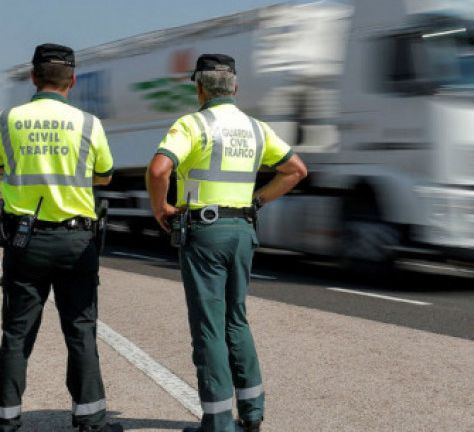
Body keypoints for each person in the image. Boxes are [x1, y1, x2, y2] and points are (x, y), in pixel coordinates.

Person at [147, 53, 307, 432]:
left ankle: (218, 421)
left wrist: (160, 208)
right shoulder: (256, 129)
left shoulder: (192, 124)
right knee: (236, 319)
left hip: (205, 234)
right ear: (235, 87)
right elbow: (296, 170)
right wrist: (257, 202)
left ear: (199, 87)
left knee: (209, 326)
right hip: (242, 231)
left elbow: (158, 169)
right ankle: (251, 414)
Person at [0, 44, 122, 431]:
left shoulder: (8, 121)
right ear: (72, 80)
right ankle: (91, 419)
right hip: (76, 241)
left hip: (24, 240)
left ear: (33, 78)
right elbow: (104, 174)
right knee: (80, 328)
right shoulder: (89, 123)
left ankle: (6, 418)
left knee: (16, 332)